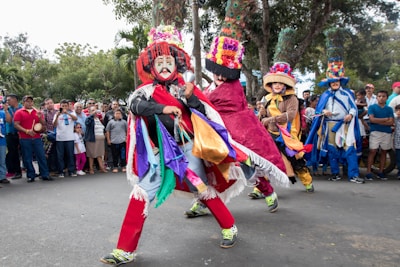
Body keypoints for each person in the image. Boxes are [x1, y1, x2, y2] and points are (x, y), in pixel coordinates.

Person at [100, 25, 245, 266]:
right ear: (151, 66)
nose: (165, 65)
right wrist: (162, 108)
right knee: (141, 193)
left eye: (169, 60)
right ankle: (124, 250)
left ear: (177, 63)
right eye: (159, 61)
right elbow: (135, 108)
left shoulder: (186, 88)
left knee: (201, 188)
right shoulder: (144, 92)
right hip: (159, 154)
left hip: (187, 149)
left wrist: (190, 99)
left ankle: (229, 227)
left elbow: (206, 114)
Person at [195, 35, 287, 214]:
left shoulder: (234, 88)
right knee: (205, 169)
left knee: (246, 167)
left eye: (224, 73)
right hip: (211, 137)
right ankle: (203, 202)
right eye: (217, 71)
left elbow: (225, 109)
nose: (220, 76)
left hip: (234, 136)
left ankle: (268, 191)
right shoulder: (208, 89)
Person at [261, 62, 314, 192]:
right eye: (275, 83)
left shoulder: (292, 99)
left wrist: (270, 119)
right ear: (271, 84)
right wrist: (261, 116)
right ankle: (261, 189)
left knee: (295, 160)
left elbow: (290, 116)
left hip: (287, 135)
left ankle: (307, 182)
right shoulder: (267, 98)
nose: (277, 85)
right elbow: (262, 116)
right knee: (265, 161)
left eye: (280, 83)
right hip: (270, 134)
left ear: (285, 84)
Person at [306, 65, 363, 184]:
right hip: (330, 124)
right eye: (332, 81)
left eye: (336, 81)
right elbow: (318, 111)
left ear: (340, 81)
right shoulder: (325, 95)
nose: (334, 83)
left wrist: (351, 115)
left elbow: (353, 108)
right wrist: (324, 112)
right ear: (329, 83)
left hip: (345, 124)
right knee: (332, 149)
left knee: (350, 148)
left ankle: (353, 175)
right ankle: (335, 173)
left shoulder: (347, 94)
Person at [13, 95, 53, 182]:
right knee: (27, 157)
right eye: (27, 101)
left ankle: (44, 174)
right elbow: (16, 124)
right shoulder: (19, 112)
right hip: (24, 138)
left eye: (31, 101)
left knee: (41, 156)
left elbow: (43, 124)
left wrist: (39, 117)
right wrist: (27, 131)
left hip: (37, 137)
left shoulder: (37, 112)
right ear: (23, 102)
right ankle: (31, 175)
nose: (30, 103)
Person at [364, 90, 394, 181]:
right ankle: (368, 172)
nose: (381, 98)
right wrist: (385, 120)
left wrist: (379, 121)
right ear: (377, 97)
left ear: (386, 98)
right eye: (379, 96)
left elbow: (391, 122)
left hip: (386, 133)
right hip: (375, 132)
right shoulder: (372, 107)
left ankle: (381, 172)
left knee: (384, 151)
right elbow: (372, 120)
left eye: (383, 96)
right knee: (373, 151)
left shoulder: (389, 109)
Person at [53, 99, 77, 177]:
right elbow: (54, 125)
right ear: (60, 106)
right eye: (62, 106)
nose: (64, 107)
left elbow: (75, 119)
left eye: (65, 106)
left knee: (70, 155)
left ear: (68, 106)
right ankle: (61, 171)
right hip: (60, 138)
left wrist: (67, 113)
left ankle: (71, 170)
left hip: (70, 137)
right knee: (60, 156)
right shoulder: (57, 114)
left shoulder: (72, 113)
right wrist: (57, 116)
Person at [4, 94, 23, 180]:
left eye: (9, 100)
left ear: (15, 99)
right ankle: (16, 171)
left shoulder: (21, 108)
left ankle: (28, 169)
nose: (7, 102)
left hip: (21, 133)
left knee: (24, 152)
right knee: (13, 153)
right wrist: (6, 111)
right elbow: (9, 121)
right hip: (10, 133)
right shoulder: (7, 109)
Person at [85, 106, 107, 174]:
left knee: (99, 154)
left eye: (95, 110)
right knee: (91, 154)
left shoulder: (98, 119)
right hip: (92, 139)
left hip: (100, 139)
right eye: (92, 110)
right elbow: (87, 123)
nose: (95, 112)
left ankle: (101, 167)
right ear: (90, 112)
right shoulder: (89, 119)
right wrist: (91, 115)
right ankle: (91, 169)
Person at [43, 98, 58, 173]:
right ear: (45, 105)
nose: (50, 104)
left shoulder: (57, 112)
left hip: (58, 135)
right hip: (48, 135)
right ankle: (50, 169)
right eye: (48, 103)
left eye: (51, 103)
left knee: (57, 152)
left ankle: (56, 168)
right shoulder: (44, 113)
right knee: (49, 153)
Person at [0, 107, 9, 186]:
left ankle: (2, 176)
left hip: (2, 141)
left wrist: (6, 110)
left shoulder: (2, 113)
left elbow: (9, 121)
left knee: (2, 160)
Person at [393, 104, 400, 179]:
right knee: (398, 159)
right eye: (397, 110)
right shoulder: (395, 118)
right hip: (398, 143)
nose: (398, 112)